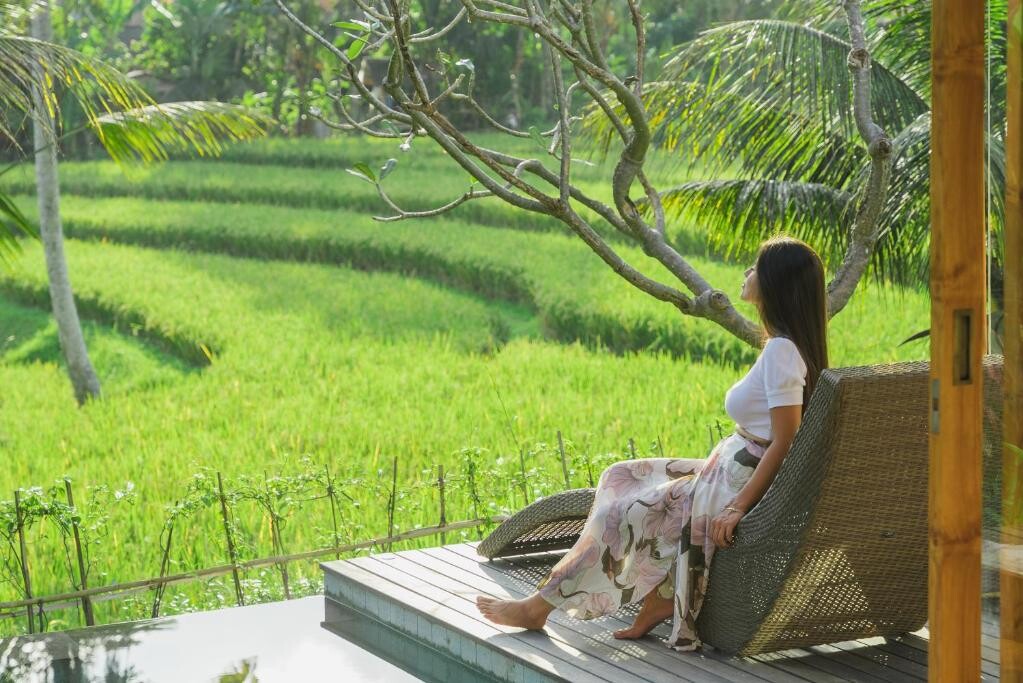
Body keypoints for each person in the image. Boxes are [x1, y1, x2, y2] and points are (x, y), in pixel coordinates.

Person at [476, 235, 829, 651]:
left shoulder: (783, 352)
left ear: (775, 284)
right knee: (621, 475)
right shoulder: (783, 347)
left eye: (756, 266)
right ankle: (657, 598)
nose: (747, 272)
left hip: (732, 484)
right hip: (726, 469)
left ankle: (539, 607)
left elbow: (785, 441)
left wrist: (737, 506)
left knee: (622, 513)